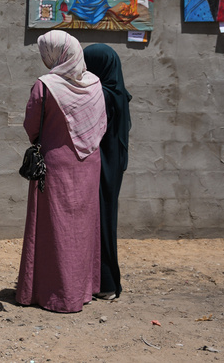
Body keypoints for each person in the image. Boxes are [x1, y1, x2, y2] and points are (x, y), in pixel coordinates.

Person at [16, 30, 107, 313]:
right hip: (90, 162)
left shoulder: (45, 85)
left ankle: (52, 292)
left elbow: (32, 126)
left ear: (55, 54)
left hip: (55, 164)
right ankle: (79, 290)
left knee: (52, 228)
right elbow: (101, 123)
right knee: (81, 229)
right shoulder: (94, 83)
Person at [83, 44, 132, 301]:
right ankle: (105, 280)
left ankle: (106, 283)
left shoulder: (101, 94)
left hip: (100, 167)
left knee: (99, 222)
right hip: (113, 167)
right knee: (106, 221)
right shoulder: (120, 93)